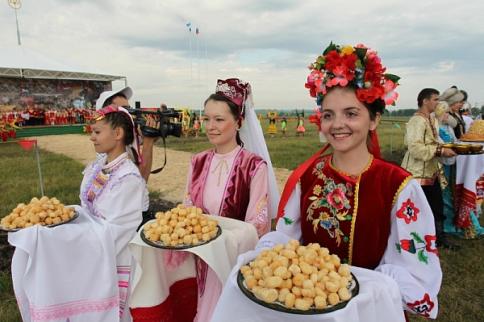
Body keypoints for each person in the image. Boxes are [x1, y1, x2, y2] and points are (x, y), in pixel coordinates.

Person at [270, 43, 442, 319]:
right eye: (328, 115)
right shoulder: (309, 176)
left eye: (351, 113)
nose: (337, 124)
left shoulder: (398, 185)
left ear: (374, 119)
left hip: (370, 311)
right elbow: (284, 242)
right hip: (308, 309)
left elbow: (416, 273)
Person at [130, 78, 280, 322]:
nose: (211, 126)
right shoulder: (197, 161)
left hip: (230, 261)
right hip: (197, 258)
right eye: (207, 119)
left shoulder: (253, 166)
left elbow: (258, 222)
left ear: (238, 122)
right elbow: (189, 207)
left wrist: (222, 241)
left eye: (219, 119)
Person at [9, 105, 148, 321]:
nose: (92, 137)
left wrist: (64, 237)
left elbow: (117, 232)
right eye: (92, 132)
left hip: (112, 259)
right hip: (90, 246)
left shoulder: (127, 179)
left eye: (97, 132)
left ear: (118, 134)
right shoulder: (100, 167)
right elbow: (88, 210)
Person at [402, 88, 458, 252]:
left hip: (432, 170)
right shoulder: (417, 121)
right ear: (425, 101)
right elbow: (414, 147)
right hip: (416, 172)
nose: (438, 102)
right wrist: (440, 151)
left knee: (436, 205)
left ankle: (438, 238)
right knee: (415, 208)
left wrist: (450, 148)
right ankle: (414, 240)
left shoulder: (432, 119)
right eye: (435, 99)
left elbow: (434, 141)